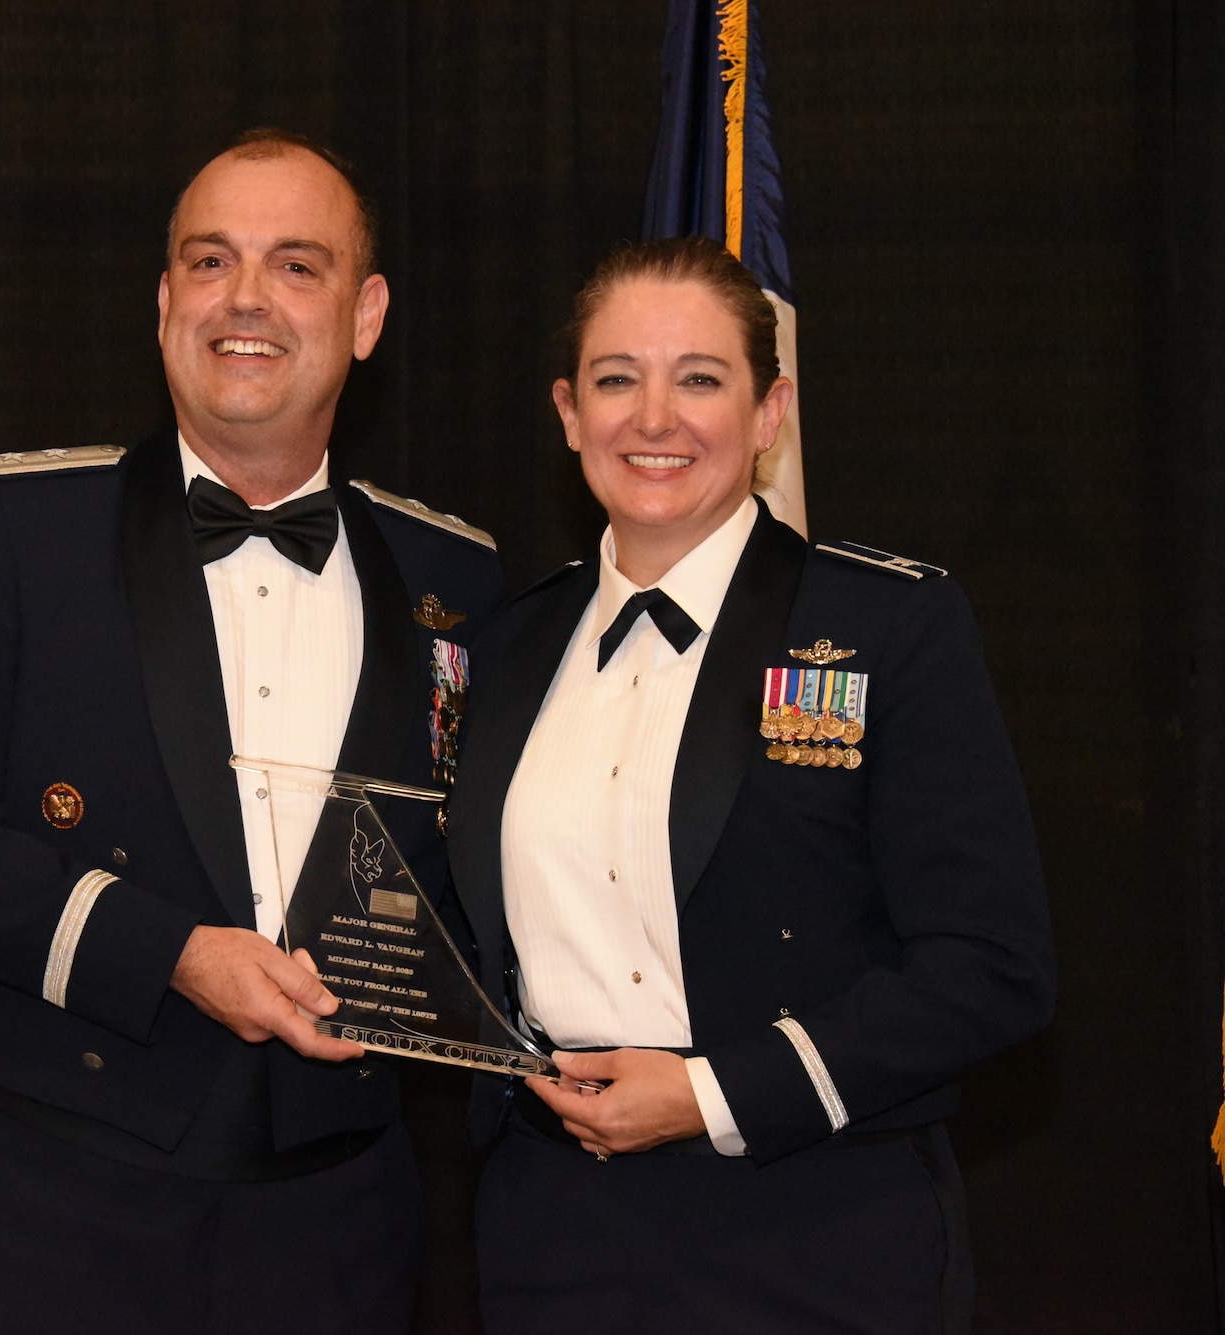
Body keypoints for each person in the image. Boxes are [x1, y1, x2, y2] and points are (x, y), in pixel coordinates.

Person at [0, 128, 503, 1334]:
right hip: (57, 1216)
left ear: (364, 316)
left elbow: (489, 876)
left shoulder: (458, 575)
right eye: (210, 262)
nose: (244, 298)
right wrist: (165, 952)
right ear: (163, 303)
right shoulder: (22, 527)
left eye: (295, 266)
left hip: (339, 1228)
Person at [449, 237, 1056, 1333]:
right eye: (615, 378)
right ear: (566, 410)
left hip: (813, 1221)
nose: (652, 417)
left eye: (699, 379)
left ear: (768, 412)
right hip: (551, 1227)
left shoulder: (884, 628)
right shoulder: (506, 644)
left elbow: (991, 968)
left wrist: (712, 1095)